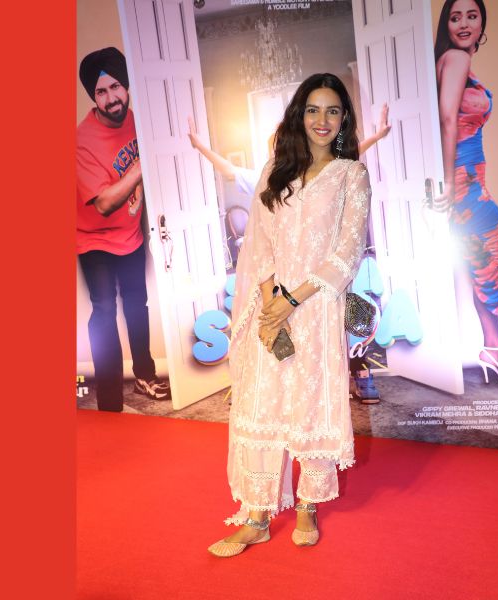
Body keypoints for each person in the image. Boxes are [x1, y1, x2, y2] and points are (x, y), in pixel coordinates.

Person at [207, 73, 371, 557]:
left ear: (344, 120)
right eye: (313, 109)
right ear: (300, 115)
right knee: (261, 403)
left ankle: (307, 504)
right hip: (269, 309)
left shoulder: (351, 175)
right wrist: (270, 303)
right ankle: (256, 516)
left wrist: (291, 301)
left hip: (317, 308)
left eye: (333, 111)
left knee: (309, 403)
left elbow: (346, 253)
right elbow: (258, 242)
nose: (322, 120)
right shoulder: (276, 171)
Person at [187, 105, 390, 404]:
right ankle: (282, 393)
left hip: (318, 274)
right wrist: (199, 145)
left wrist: (377, 136)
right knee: (279, 335)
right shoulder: (264, 179)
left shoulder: (321, 176)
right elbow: (227, 170)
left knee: (339, 319)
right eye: (276, 146)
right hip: (278, 277)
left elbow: (349, 156)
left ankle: (357, 372)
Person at [430, 0, 498, 389]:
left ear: (482, 22)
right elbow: (447, 118)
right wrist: (448, 180)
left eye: (472, 16)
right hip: (465, 182)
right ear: (446, 24)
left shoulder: (450, 61)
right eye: (455, 17)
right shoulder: (456, 58)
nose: (464, 23)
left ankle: (493, 349)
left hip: (469, 181)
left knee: (483, 264)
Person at [76, 47, 170, 411]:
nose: (111, 97)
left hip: (131, 234)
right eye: (101, 91)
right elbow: (103, 204)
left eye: (116, 86)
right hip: (93, 241)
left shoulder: (139, 122)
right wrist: (140, 167)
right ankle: (110, 400)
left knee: (136, 303)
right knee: (103, 310)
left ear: (126, 86)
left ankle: (145, 374)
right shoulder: (82, 140)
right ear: (93, 96)